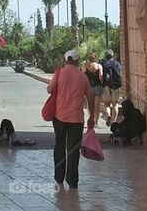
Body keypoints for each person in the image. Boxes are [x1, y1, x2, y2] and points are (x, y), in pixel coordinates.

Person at [46, 49, 94, 189]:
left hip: (59, 116)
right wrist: (92, 116)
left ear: (65, 60)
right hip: (76, 118)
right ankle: (72, 180)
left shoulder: (59, 73)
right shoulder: (83, 77)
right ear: (78, 61)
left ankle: (59, 176)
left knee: (59, 146)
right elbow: (90, 98)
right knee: (73, 149)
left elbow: (50, 89)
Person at [100, 48, 122, 125]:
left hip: (106, 85)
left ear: (106, 56)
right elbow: (120, 73)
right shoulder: (117, 64)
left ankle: (109, 115)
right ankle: (114, 122)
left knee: (107, 104)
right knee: (115, 104)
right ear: (113, 55)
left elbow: (101, 75)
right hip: (115, 85)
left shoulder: (103, 64)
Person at [84, 51, 103, 123]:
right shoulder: (99, 66)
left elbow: (83, 76)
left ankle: (90, 119)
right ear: (95, 58)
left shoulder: (85, 66)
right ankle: (96, 121)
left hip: (89, 87)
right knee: (97, 105)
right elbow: (101, 76)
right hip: (98, 86)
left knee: (90, 104)